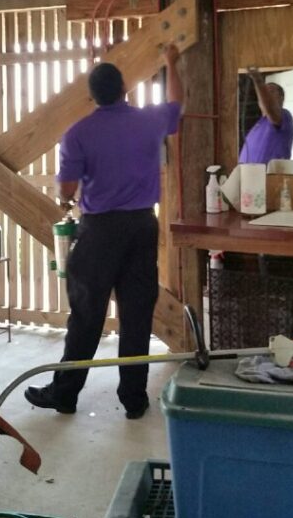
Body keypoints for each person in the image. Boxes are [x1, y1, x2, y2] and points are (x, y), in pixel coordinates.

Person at [24, 44, 184, 420]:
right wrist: (171, 63)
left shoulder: (78, 133)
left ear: (91, 95)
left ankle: (65, 394)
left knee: (86, 315)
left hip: (99, 232)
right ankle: (134, 399)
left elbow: (66, 191)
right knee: (136, 314)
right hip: (142, 226)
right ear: (125, 88)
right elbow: (177, 102)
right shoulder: (149, 121)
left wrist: (67, 192)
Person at [239, 67, 293, 165]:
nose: (265, 95)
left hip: (268, 178)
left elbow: (269, 108)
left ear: (282, 97)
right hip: (251, 175)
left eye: (271, 92)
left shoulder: (285, 116)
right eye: (264, 93)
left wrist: (257, 79)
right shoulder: (260, 123)